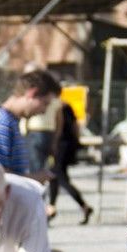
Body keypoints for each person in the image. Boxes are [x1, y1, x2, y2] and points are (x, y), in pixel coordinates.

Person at [0, 68, 61, 181]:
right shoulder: (1, 122)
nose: (44, 111)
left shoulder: (10, 121)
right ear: (31, 93)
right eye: (45, 104)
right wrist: (34, 178)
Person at [48, 95, 93, 225]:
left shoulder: (56, 107)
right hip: (69, 145)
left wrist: (54, 143)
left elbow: (59, 126)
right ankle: (51, 207)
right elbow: (75, 126)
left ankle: (83, 205)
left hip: (60, 145)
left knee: (60, 177)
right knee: (54, 177)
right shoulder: (66, 106)